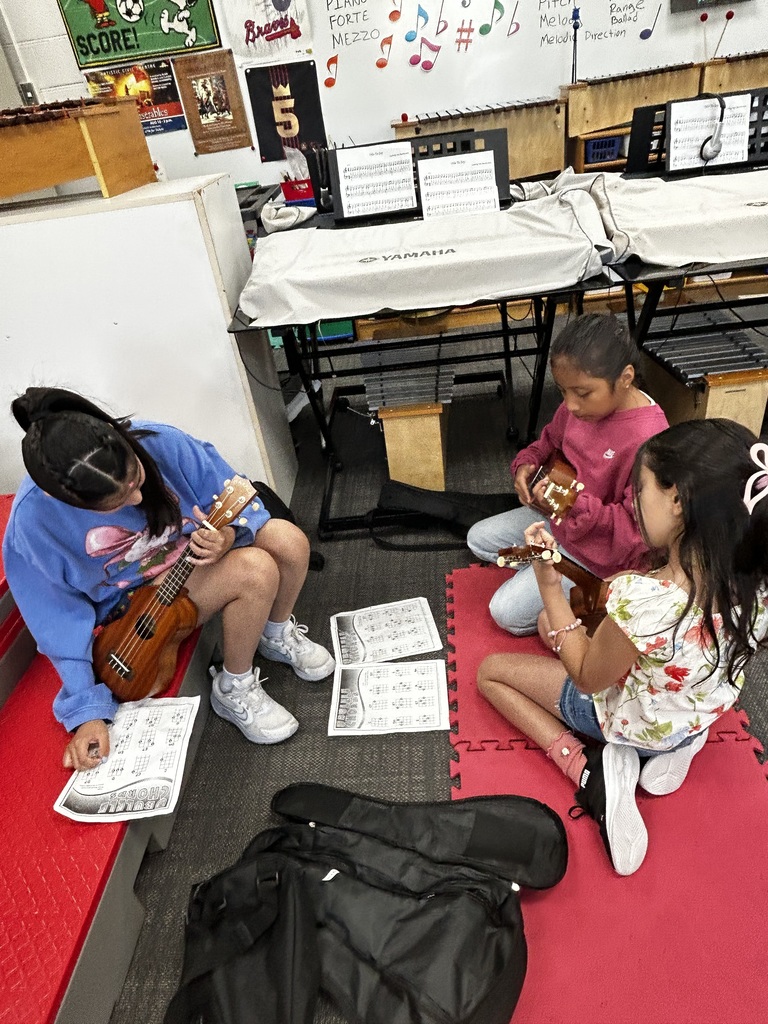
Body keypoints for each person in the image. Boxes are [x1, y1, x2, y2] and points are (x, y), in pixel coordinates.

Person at [476, 419, 768, 875]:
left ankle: (588, 770)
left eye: (642, 488)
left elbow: (587, 676)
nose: (634, 500)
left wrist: (549, 583)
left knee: (490, 671)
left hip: (627, 720)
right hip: (694, 711)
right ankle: (682, 746)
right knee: (545, 623)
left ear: (677, 500)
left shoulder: (647, 600)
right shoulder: (756, 583)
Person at [2, 387, 335, 771]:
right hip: (130, 611)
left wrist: (226, 537)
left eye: (136, 481)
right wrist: (87, 708)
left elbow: (238, 499)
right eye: (115, 503)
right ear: (63, 500)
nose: (137, 501)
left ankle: (274, 633)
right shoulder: (33, 521)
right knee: (256, 570)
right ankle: (233, 686)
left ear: (120, 438)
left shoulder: (163, 441)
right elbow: (55, 616)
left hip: (191, 564)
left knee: (288, 542)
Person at [467, 314, 669, 635]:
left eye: (582, 393)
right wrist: (526, 465)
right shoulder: (578, 405)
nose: (571, 405)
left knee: (504, 613)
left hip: (603, 555)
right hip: (561, 520)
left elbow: (638, 534)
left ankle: (581, 584)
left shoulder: (650, 441)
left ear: (626, 378)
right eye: (563, 391)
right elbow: (549, 441)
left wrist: (575, 504)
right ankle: (546, 562)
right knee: (478, 539)